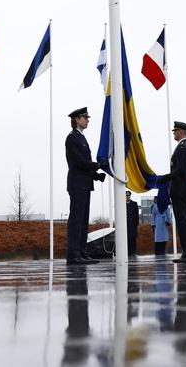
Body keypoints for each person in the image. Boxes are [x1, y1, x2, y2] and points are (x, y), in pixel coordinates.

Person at [65, 107, 106, 265]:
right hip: (77, 184)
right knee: (76, 220)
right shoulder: (72, 138)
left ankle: (81, 252)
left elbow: (84, 165)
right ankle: (73, 255)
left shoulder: (81, 137)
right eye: (84, 117)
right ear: (76, 119)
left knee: (82, 221)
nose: (87, 120)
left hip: (85, 184)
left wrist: (96, 176)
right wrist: (96, 166)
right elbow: (78, 163)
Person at [158, 121, 186, 263]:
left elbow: (179, 171)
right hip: (184, 192)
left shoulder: (182, 148)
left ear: (180, 132)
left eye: (175, 131)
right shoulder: (185, 147)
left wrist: (164, 178)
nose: (174, 133)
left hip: (181, 192)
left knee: (184, 224)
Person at [126, 191, 139, 256]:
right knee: (126, 239)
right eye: (126, 195)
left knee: (132, 239)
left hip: (132, 225)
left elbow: (136, 215)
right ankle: (128, 252)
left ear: (130, 196)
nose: (127, 196)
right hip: (125, 225)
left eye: (128, 195)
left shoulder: (134, 203)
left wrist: (136, 224)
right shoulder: (122, 204)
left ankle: (133, 252)